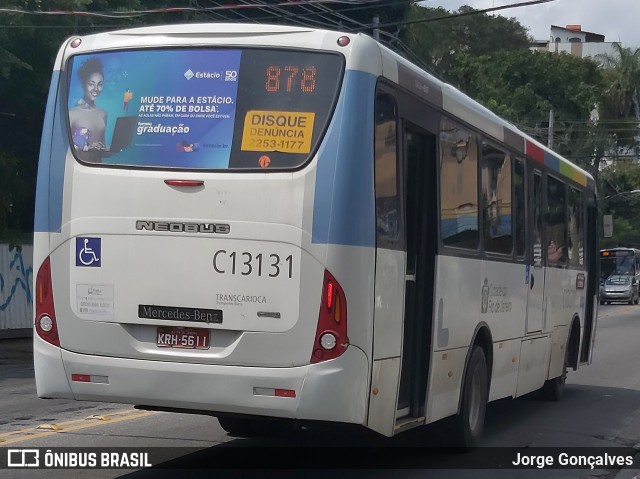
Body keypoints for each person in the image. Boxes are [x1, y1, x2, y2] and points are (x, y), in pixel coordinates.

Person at [69, 57, 107, 151]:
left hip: (98, 164)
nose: (96, 89)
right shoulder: (71, 114)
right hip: (78, 165)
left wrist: (111, 149)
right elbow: (65, 147)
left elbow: (101, 146)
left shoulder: (103, 114)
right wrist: (87, 148)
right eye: (91, 84)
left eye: (100, 84)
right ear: (83, 84)